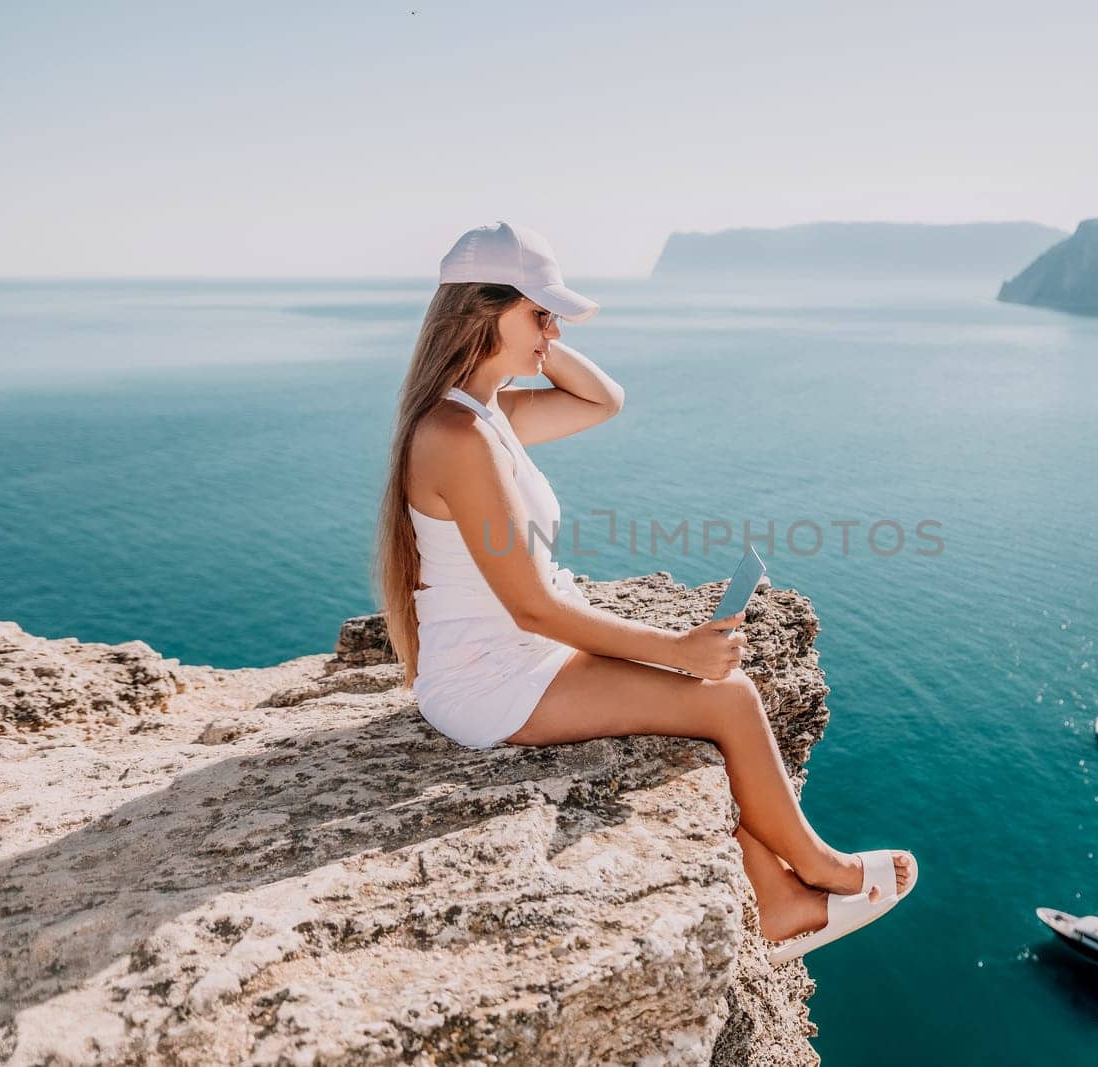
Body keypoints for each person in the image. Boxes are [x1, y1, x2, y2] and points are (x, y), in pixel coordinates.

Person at [372, 221, 915, 962]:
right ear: (482, 309)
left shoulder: (485, 415)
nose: (553, 329)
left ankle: (783, 900)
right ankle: (819, 871)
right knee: (728, 698)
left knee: (702, 706)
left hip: (519, 656)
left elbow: (603, 400)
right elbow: (532, 604)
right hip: (492, 679)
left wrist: (529, 336)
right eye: (542, 313)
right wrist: (678, 650)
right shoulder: (456, 436)